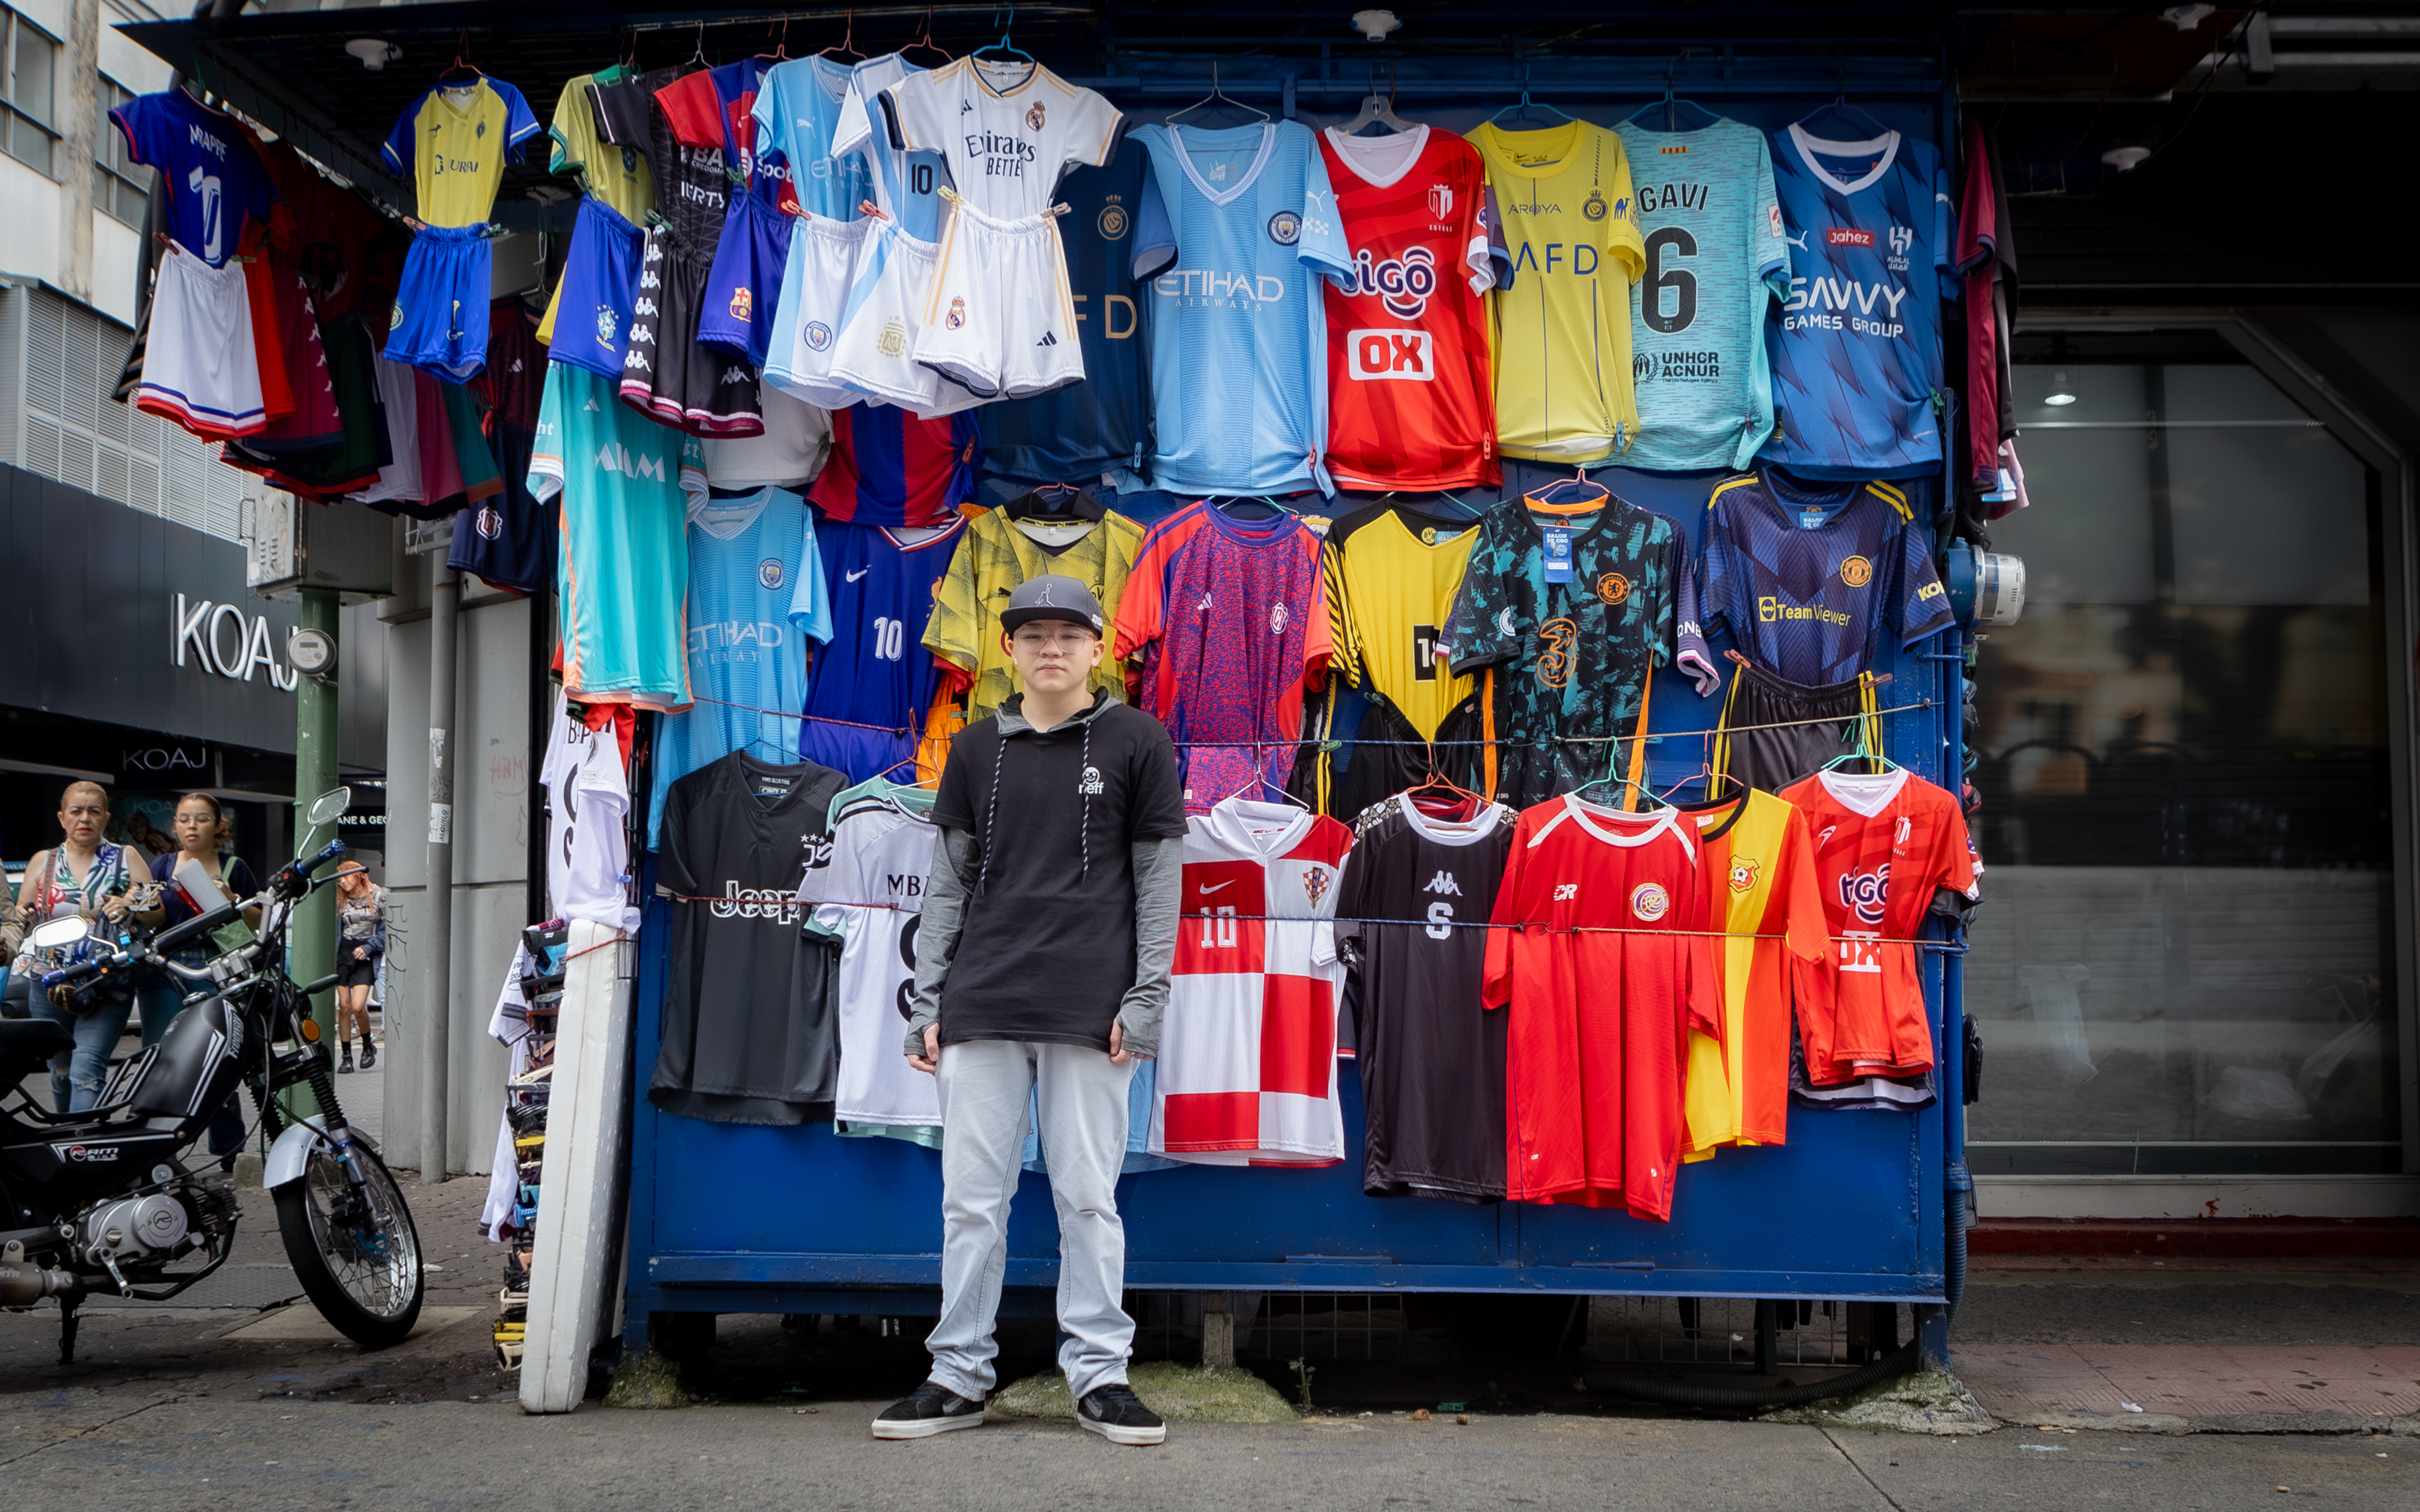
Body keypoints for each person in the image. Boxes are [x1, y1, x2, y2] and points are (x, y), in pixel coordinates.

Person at [873, 575, 1187, 1448]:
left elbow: (1161, 883)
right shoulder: (976, 749)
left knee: (1089, 1198)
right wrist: (927, 1001)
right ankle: (958, 1373)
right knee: (972, 1200)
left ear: (1098, 649)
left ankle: (1099, 1374)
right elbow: (948, 887)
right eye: (1033, 635)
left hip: (1093, 1009)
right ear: (1008, 650)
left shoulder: (1137, 741)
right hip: (983, 1001)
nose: (1051, 649)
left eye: (1068, 635)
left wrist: (1145, 998)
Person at [15, 781, 162, 1112]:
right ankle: (65, 1137)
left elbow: (157, 915)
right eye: (76, 811)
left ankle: (82, 1147)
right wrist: (25, 914)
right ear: (61, 818)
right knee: (60, 1069)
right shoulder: (44, 862)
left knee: (86, 1067)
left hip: (108, 978)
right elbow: (22, 916)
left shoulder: (127, 857)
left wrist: (130, 906)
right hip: (50, 979)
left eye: (94, 811)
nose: (85, 818)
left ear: (106, 817)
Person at [142, 792, 259, 1161]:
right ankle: (159, 1149)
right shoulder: (161, 865)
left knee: (218, 1054)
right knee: (160, 1056)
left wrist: (232, 901)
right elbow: (153, 918)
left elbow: (258, 920)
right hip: (166, 968)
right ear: (175, 824)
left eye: (202, 819)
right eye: (184, 819)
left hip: (216, 967)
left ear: (218, 826)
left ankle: (229, 1149)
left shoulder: (233, 866)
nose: (191, 826)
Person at [332, 861, 385, 1073]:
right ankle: (346, 1057)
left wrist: (370, 947)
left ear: (358, 875)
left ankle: (367, 1045)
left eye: (346, 876)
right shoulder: (339, 900)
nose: (342, 881)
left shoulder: (378, 895)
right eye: (340, 879)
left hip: (365, 955)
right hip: (343, 953)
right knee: (344, 1006)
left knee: (357, 1005)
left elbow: (386, 929)